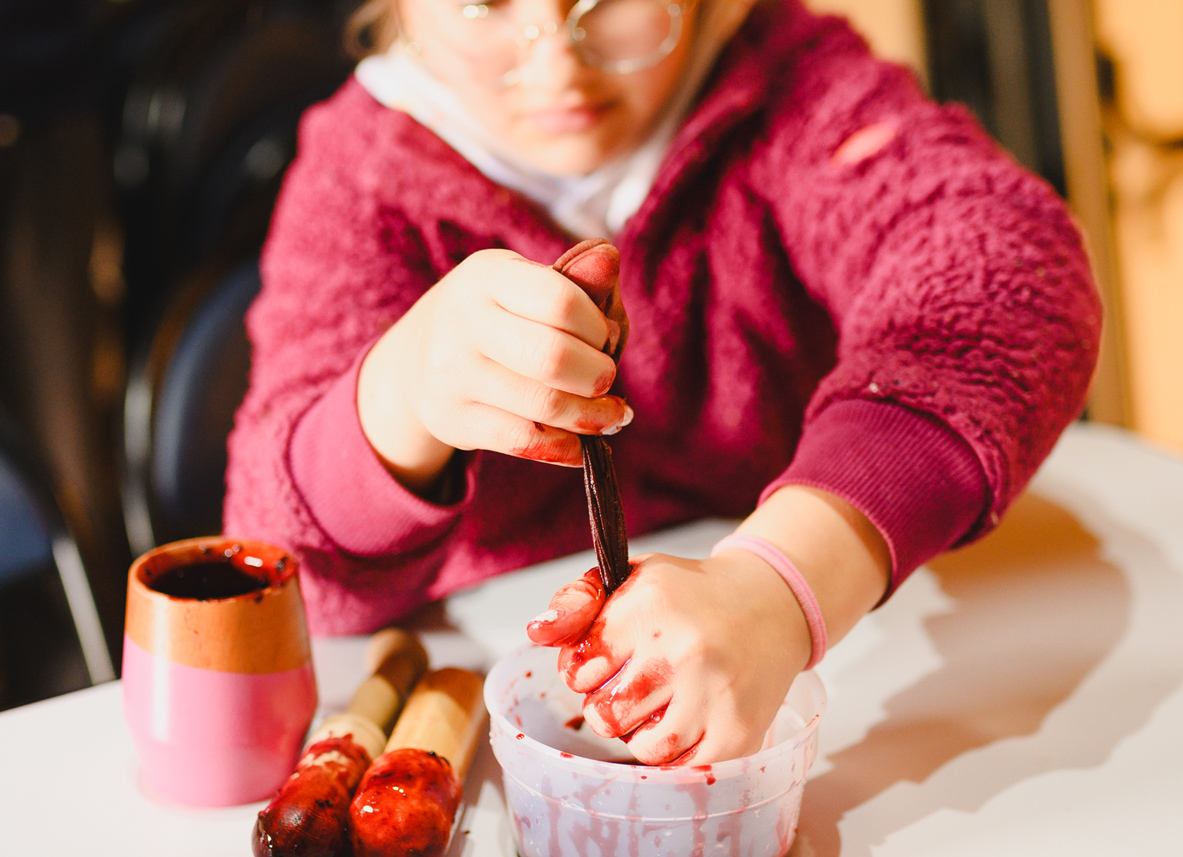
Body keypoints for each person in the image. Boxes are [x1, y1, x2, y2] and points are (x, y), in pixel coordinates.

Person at [224, 0, 1102, 766]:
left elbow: (1008, 271)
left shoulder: (795, 86)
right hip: (494, 736)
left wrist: (778, 587)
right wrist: (401, 394)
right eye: (484, 2)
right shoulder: (360, 176)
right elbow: (280, 554)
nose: (557, 63)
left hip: (820, 693)